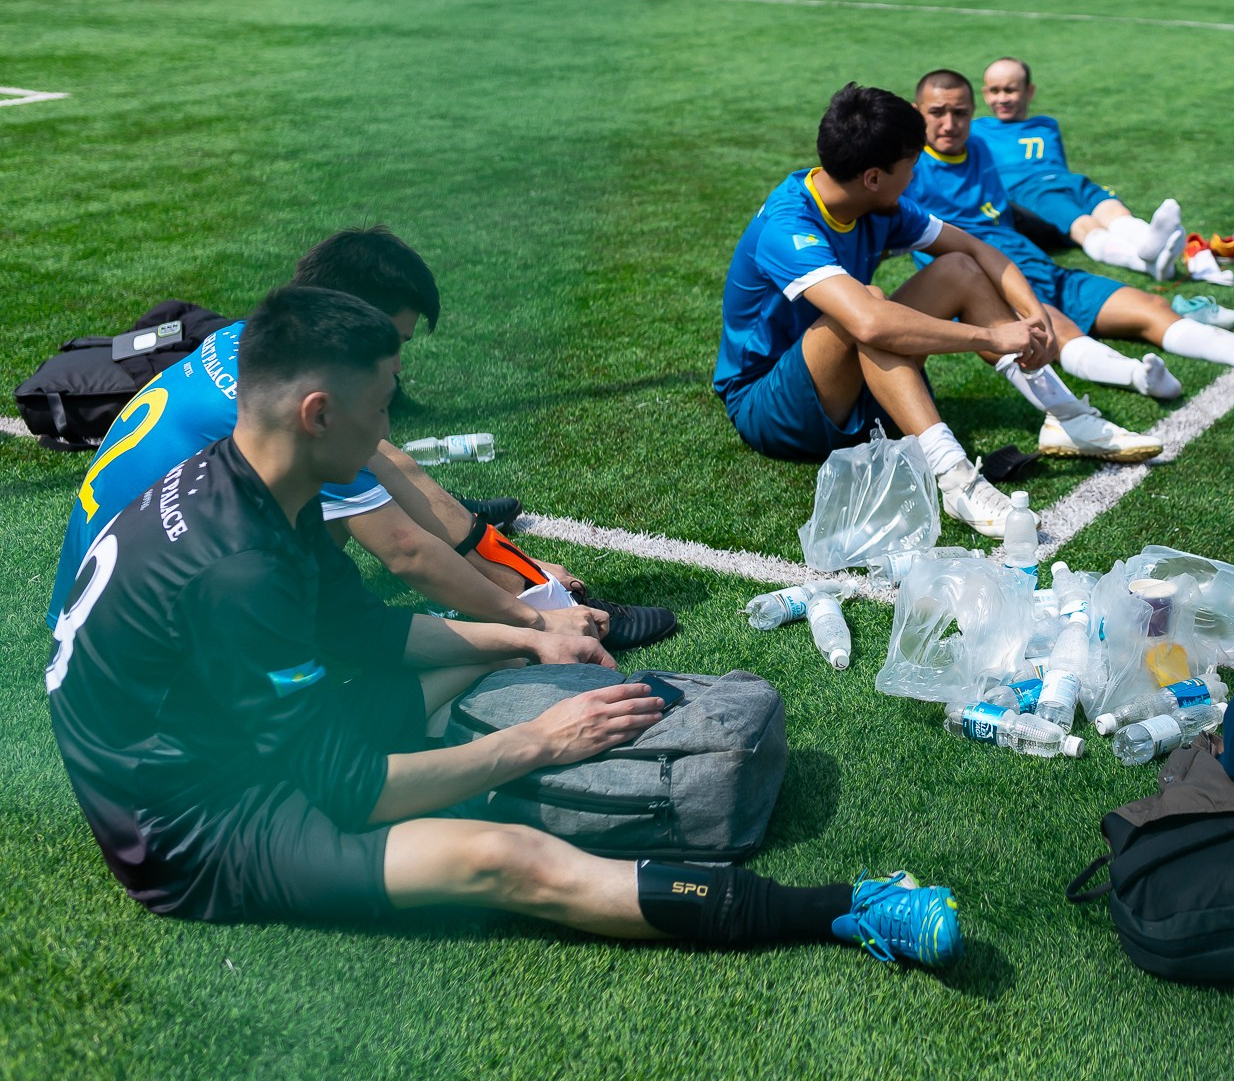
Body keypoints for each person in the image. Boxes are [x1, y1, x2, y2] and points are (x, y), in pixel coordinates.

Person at [45, 286, 964, 967]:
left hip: (213, 732)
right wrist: (537, 740)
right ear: (317, 412)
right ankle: (844, 909)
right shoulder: (236, 569)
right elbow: (345, 787)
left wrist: (531, 636)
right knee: (507, 860)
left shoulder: (257, 475)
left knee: (462, 664)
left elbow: (357, 631)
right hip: (191, 822)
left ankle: (489, 706)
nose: (389, 427)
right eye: (382, 402)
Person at [46, 228, 672, 648]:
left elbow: (391, 462)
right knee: (402, 613)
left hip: (110, 598)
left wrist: (517, 572)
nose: (397, 366)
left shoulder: (254, 344)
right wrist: (535, 622)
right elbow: (405, 552)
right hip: (140, 642)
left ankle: (516, 575)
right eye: (394, 341)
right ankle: (541, 606)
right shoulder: (298, 411)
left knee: (374, 481)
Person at [717, 83, 1161, 535]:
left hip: (852, 387)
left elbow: (977, 250)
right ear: (873, 178)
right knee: (869, 306)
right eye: (911, 165)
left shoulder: (874, 202)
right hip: (769, 410)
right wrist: (991, 337)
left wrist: (1034, 315)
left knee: (958, 270)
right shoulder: (787, 224)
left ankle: (1065, 415)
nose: (915, 177)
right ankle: (956, 480)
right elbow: (868, 323)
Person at [912, 70, 1234, 404]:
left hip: (1042, 268)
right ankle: (1136, 376)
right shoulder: (910, 169)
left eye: (960, 113)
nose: (950, 124)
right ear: (918, 112)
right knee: (1053, 328)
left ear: (973, 112)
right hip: (990, 287)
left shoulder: (980, 148)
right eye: (937, 112)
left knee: (1151, 305)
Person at [973, 58, 1183, 280]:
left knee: (1114, 211)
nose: (1002, 98)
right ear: (985, 94)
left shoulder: (1047, 124)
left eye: (1010, 90)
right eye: (994, 91)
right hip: (1031, 192)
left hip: (1072, 182)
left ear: (1029, 91)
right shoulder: (976, 130)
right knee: (1084, 224)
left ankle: (1149, 243)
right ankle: (1143, 263)